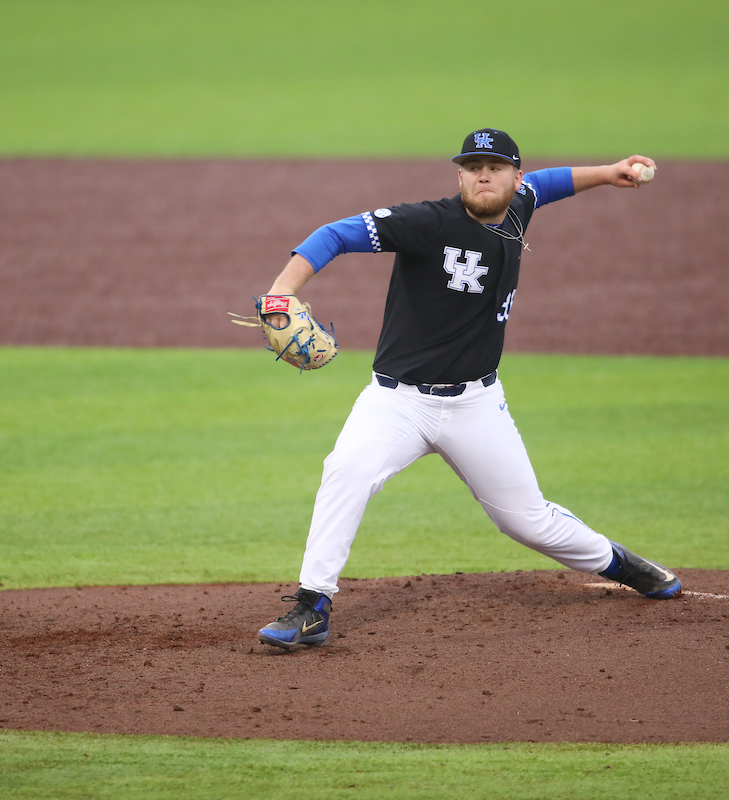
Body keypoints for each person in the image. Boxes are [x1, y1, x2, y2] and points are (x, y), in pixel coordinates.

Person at [256, 129, 681, 649]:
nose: (484, 175)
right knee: (346, 472)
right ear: (458, 175)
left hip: (477, 405)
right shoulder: (427, 223)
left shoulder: (521, 205)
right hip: (397, 402)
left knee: (529, 524)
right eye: (473, 166)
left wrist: (606, 172)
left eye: (496, 166)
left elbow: (548, 183)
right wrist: (282, 291)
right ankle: (311, 606)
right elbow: (336, 234)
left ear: (513, 178)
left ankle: (621, 563)